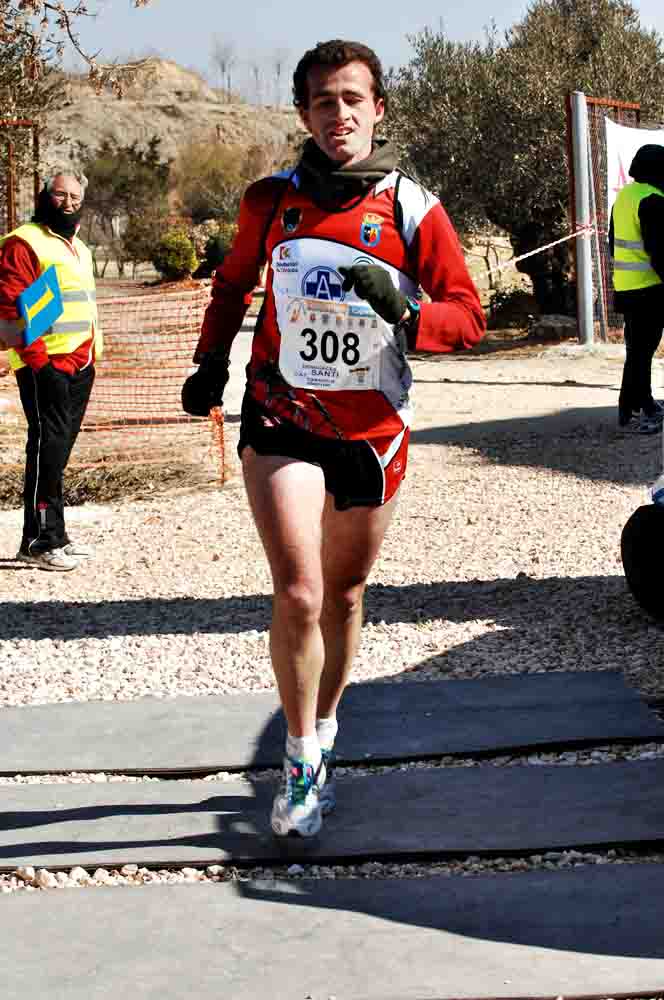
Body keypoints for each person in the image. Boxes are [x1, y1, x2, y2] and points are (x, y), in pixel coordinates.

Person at [182, 39, 485, 837]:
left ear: (377, 109)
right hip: (283, 415)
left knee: (345, 596)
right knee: (300, 591)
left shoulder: (410, 208)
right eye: (323, 100)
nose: (338, 113)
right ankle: (300, 752)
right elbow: (233, 282)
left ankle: (328, 721)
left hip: (373, 430)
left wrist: (411, 312)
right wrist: (212, 359)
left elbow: (469, 314)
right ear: (303, 113)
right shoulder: (269, 202)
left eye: (352, 98)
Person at [0, 171, 101, 571]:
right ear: (44, 196)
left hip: (81, 363)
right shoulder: (24, 242)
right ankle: (44, 540)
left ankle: (45, 536)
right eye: (60, 195)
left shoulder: (80, 248)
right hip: (46, 366)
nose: (69, 202)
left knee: (55, 452)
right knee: (47, 448)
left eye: (76, 195)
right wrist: (39, 363)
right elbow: (11, 307)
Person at [610, 143, 664, 435]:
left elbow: (612, 243)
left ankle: (627, 405)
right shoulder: (653, 200)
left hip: (627, 287)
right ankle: (646, 408)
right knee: (643, 350)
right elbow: (660, 252)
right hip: (650, 288)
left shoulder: (624, 198)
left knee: (637, 349)